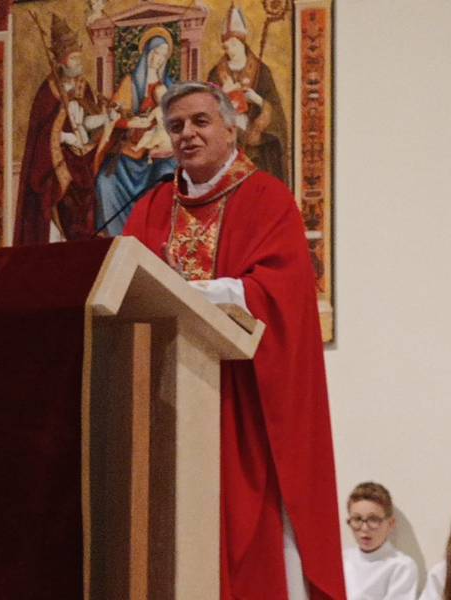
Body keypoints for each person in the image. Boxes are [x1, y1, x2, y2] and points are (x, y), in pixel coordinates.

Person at [123, 81, 344, 599]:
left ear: (230, 127)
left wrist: (194, 292)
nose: (187, 134)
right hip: (167, 401)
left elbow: (282, 291)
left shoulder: (267, 198)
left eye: (200, 121)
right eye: (176, 126)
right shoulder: (151, 207)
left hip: (245, 398)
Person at [14, 14, 114, 244]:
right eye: (74, 59)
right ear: (61, 62)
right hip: (54, 165)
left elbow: (88, 122)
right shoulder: (48, 92)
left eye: (79, 58)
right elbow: (41, 134)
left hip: (81, 160)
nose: (79, 63)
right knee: (57, 208)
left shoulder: (82, 86)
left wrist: (105, 119)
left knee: (84, 208)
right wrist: (65, 137)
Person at [94, 26, 177, 236]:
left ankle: (152, 237)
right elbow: (115, 118)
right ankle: (115, 237)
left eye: (163, 55)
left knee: (165, 183)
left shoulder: (168, 87)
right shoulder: (129, 83)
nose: (159, 58)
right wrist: (132, 124)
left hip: (156, 155)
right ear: (147, 52)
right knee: (105, 182)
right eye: (156, 52)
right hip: (128, 151)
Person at [206, 4, 289, 182]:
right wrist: (222, 97)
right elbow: (206, 107)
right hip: (227, 144)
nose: (228, 50)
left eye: (231, 45)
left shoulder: (261, 71)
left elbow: (276, 112)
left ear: (240, 43)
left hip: (256, 147)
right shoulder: (216, 73)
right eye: (225, 47)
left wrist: (258, 100)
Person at [341, 482, 418, 600]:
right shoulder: (342, 560)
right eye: (357, 519)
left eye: (373, 519)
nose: (364, 528)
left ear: (391, 524)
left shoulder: (401, 566)